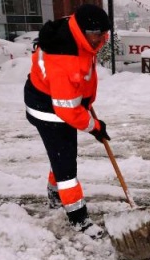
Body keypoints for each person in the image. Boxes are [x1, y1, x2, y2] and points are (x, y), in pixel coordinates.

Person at [24, 4, 111, 239]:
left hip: (60, 100)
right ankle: (78, 219)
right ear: (82, 31)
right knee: (66, 167)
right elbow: (67, 111)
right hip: (48, 109)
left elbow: (75, 91)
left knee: (62, 154)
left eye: (103, 34)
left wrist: (83, 101)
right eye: (96, 35)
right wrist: (94, 127)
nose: (100, 40)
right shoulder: (65, 61)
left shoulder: (76, 37)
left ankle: (54, 195)